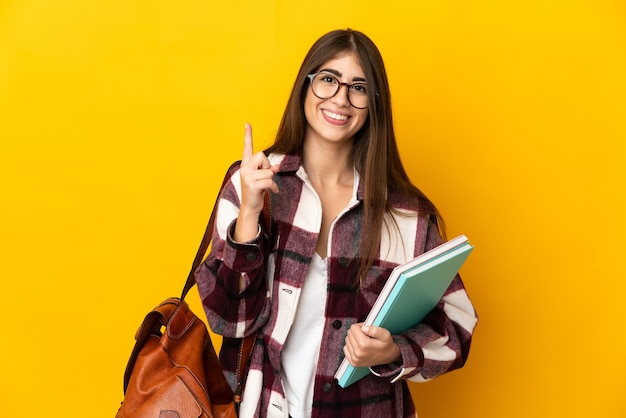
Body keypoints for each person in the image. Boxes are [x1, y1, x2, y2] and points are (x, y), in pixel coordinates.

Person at [195, 28, 478, 418]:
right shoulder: (251, 182)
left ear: (374, 103)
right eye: (328, 79)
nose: (340, 99)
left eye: (358, 87)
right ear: (306, 86)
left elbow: (458, 328)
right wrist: (248, 216)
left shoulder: (406, 215)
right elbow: (229, 319)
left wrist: (394, 350)